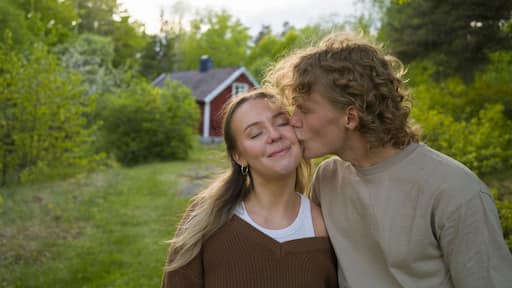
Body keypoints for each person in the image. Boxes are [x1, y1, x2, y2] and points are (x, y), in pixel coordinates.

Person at [265, 32, 512, 287]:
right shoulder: (328, 178)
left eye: (304, 110)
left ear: (350, 118)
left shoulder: (455, 190)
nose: (293, 121)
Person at [161, 89, 338, 288]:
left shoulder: (326, 225)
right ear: (239, 157)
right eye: (255, 134)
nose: (274, 135)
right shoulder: (205, 219)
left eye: (282, 123)